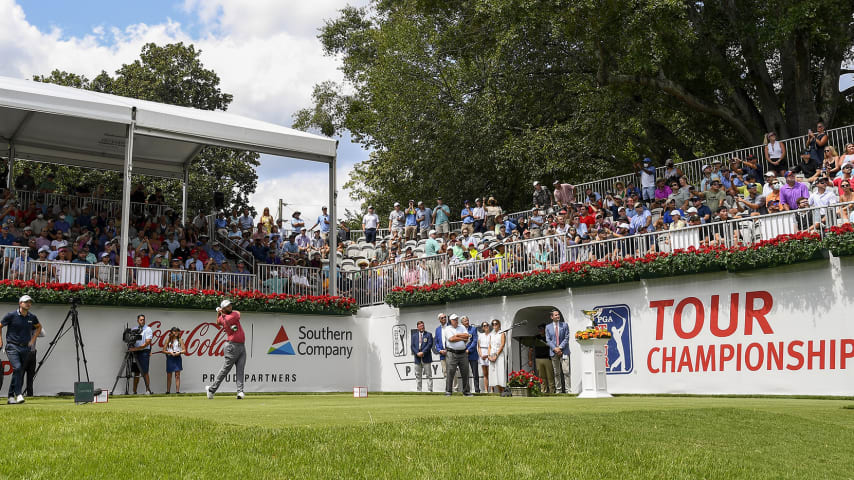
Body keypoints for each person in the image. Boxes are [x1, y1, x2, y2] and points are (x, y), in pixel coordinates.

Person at [1, 295, 41, 404]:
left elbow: (39, 327)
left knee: (18, 371)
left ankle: (10, 396)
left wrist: (32, 340)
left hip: (25, 348)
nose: (28, 304)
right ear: (20, 303)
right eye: (26, 302)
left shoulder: (32, 317)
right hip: (12, 346)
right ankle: (18, 394)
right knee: (18, 368)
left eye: (29, 302)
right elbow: (0, 326)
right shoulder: (11, 315)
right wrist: (0, 340)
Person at [206, 300, 246, 399]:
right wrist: (221, 313)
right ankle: (211, 389)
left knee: (240, 370)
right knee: (225, 370)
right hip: (232, 346)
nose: (231, 307)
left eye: (231, 305)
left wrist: (219, 313)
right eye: (228, 306)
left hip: (241, 346)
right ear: (224, 308)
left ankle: (240, 392)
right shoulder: (233, 316)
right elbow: (238, 313)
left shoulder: (223, 317)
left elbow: (218, 322)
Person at [442, 314, 472, 396]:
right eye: (454, 319)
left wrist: (457, 335)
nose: (456, 321)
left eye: (456, 319)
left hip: (463, 353)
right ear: (450, 321)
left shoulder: (462, 327)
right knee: (450, 372)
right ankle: (448, 391)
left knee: (465, 372)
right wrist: (462, 338)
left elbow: (467, 336)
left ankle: (466, 391)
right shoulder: (447, 329)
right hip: (452, 353)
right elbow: (451, 339)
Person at [545, 308, 570, 393]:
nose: (558, 316)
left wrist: (560, 348)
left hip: (564, 351)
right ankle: (558, 390)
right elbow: (548, 340)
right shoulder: (548, 327)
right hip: (553, 352)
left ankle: (568, 390)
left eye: (558, 314)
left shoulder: (565, 325)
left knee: (566, 372)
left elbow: (567, 337)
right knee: (556, 373)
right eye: (556, 315)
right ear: (552, 317)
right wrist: (555, 348)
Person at [128, 314, 153, 395]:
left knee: (145, 372)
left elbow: (147, 342)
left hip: (144, 352)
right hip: (136, 352)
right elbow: (130, 340)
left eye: (143, 319)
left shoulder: (148, 329)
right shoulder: (134, 329)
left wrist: (136, 348)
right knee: (136, 372)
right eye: (141, 320)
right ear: (138, 321)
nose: (142, 321)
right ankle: (134, 391)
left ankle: (148, 390)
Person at [528, 323, 555, 394]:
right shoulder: (536, 337)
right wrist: (530, 360)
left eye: (542, 329)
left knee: (550, 376)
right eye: (539, 329)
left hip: (548, 358)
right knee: (541, 377)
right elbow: (530, 349)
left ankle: (552, 391)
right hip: (538, 359)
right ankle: (543, 391)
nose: (540, 330)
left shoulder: (549, 337)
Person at [410, 320, 433, 393]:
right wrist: (417, 353)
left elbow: (429, 345)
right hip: (417, 358)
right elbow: (412, 346)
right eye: (420, 326)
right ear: (417, 327)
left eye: (423, 326)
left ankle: (430, 390)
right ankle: (419, 390)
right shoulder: (414, 336)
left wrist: (423, 352)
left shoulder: (428, 334)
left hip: (426, 357)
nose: (422, 327)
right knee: (418, 375)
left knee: (428, 375)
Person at [164, 327, 186, 394]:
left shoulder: (180, 340)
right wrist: (170, 352)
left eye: (177, 331)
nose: (176, 332)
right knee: (169, 375)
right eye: (174, 331)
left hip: (177, 357)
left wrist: (179, 352)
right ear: (171, 332)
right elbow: (163, 350)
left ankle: (177, 391)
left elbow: (184, 350)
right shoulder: (168, 340)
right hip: (170, 357)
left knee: (177, 375)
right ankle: (168, 391)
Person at [461, 316, 480, 393]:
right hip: (463, 355)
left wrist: (468, 350)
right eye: (465, 321)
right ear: (462, 323)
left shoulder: (473, 329)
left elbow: (475, 341)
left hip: (472, 354)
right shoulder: (460, 330)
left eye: (467, 320)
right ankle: (466, 389)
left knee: (475, 373)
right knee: (465, 374)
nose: (467, 322)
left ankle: (477, 389)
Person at [487, 319, 506, 394]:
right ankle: (498, 391)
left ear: (499, 325)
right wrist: (489, 355)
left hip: (499, 355)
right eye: (493, 324)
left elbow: (502, 345)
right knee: (494, 373)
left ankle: (503, 391)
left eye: (496, 324)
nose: (494, 325)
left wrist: (496, 355)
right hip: (491, 355)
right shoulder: (491, 334)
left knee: (500, 372)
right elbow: (489, 346)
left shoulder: (502, 333)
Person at [477, 321, 491, 393]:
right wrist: (481, 355)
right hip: (482, 354)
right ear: (482, 327)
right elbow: (479, 347)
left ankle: (492, 390)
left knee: (490, 373)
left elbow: (492, 346)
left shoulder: (491, 335)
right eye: (484, 326)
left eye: (487, 325)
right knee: (485, 374)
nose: (486, 327)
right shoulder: (480, 335)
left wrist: (488, 355)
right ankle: (486, 390)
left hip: (489, 353)